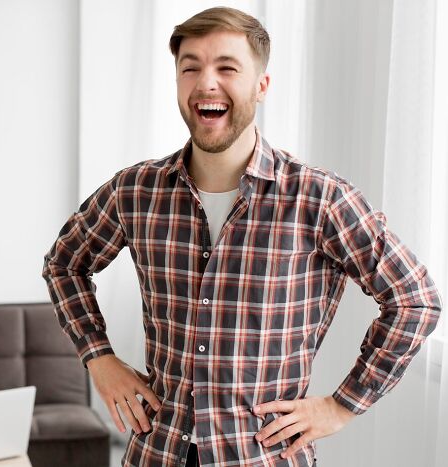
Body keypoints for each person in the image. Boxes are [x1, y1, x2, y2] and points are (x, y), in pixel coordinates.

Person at [42, 6, 442, 467]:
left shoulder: (320, 198)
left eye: (226, 67)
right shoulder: (134, 191)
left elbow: (415, 300)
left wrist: (341, 405)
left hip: (263, 458)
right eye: (190, 67)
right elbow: (64, 264)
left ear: (261, 86)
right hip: (157, 451)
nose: (205, 82)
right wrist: (99, 359)